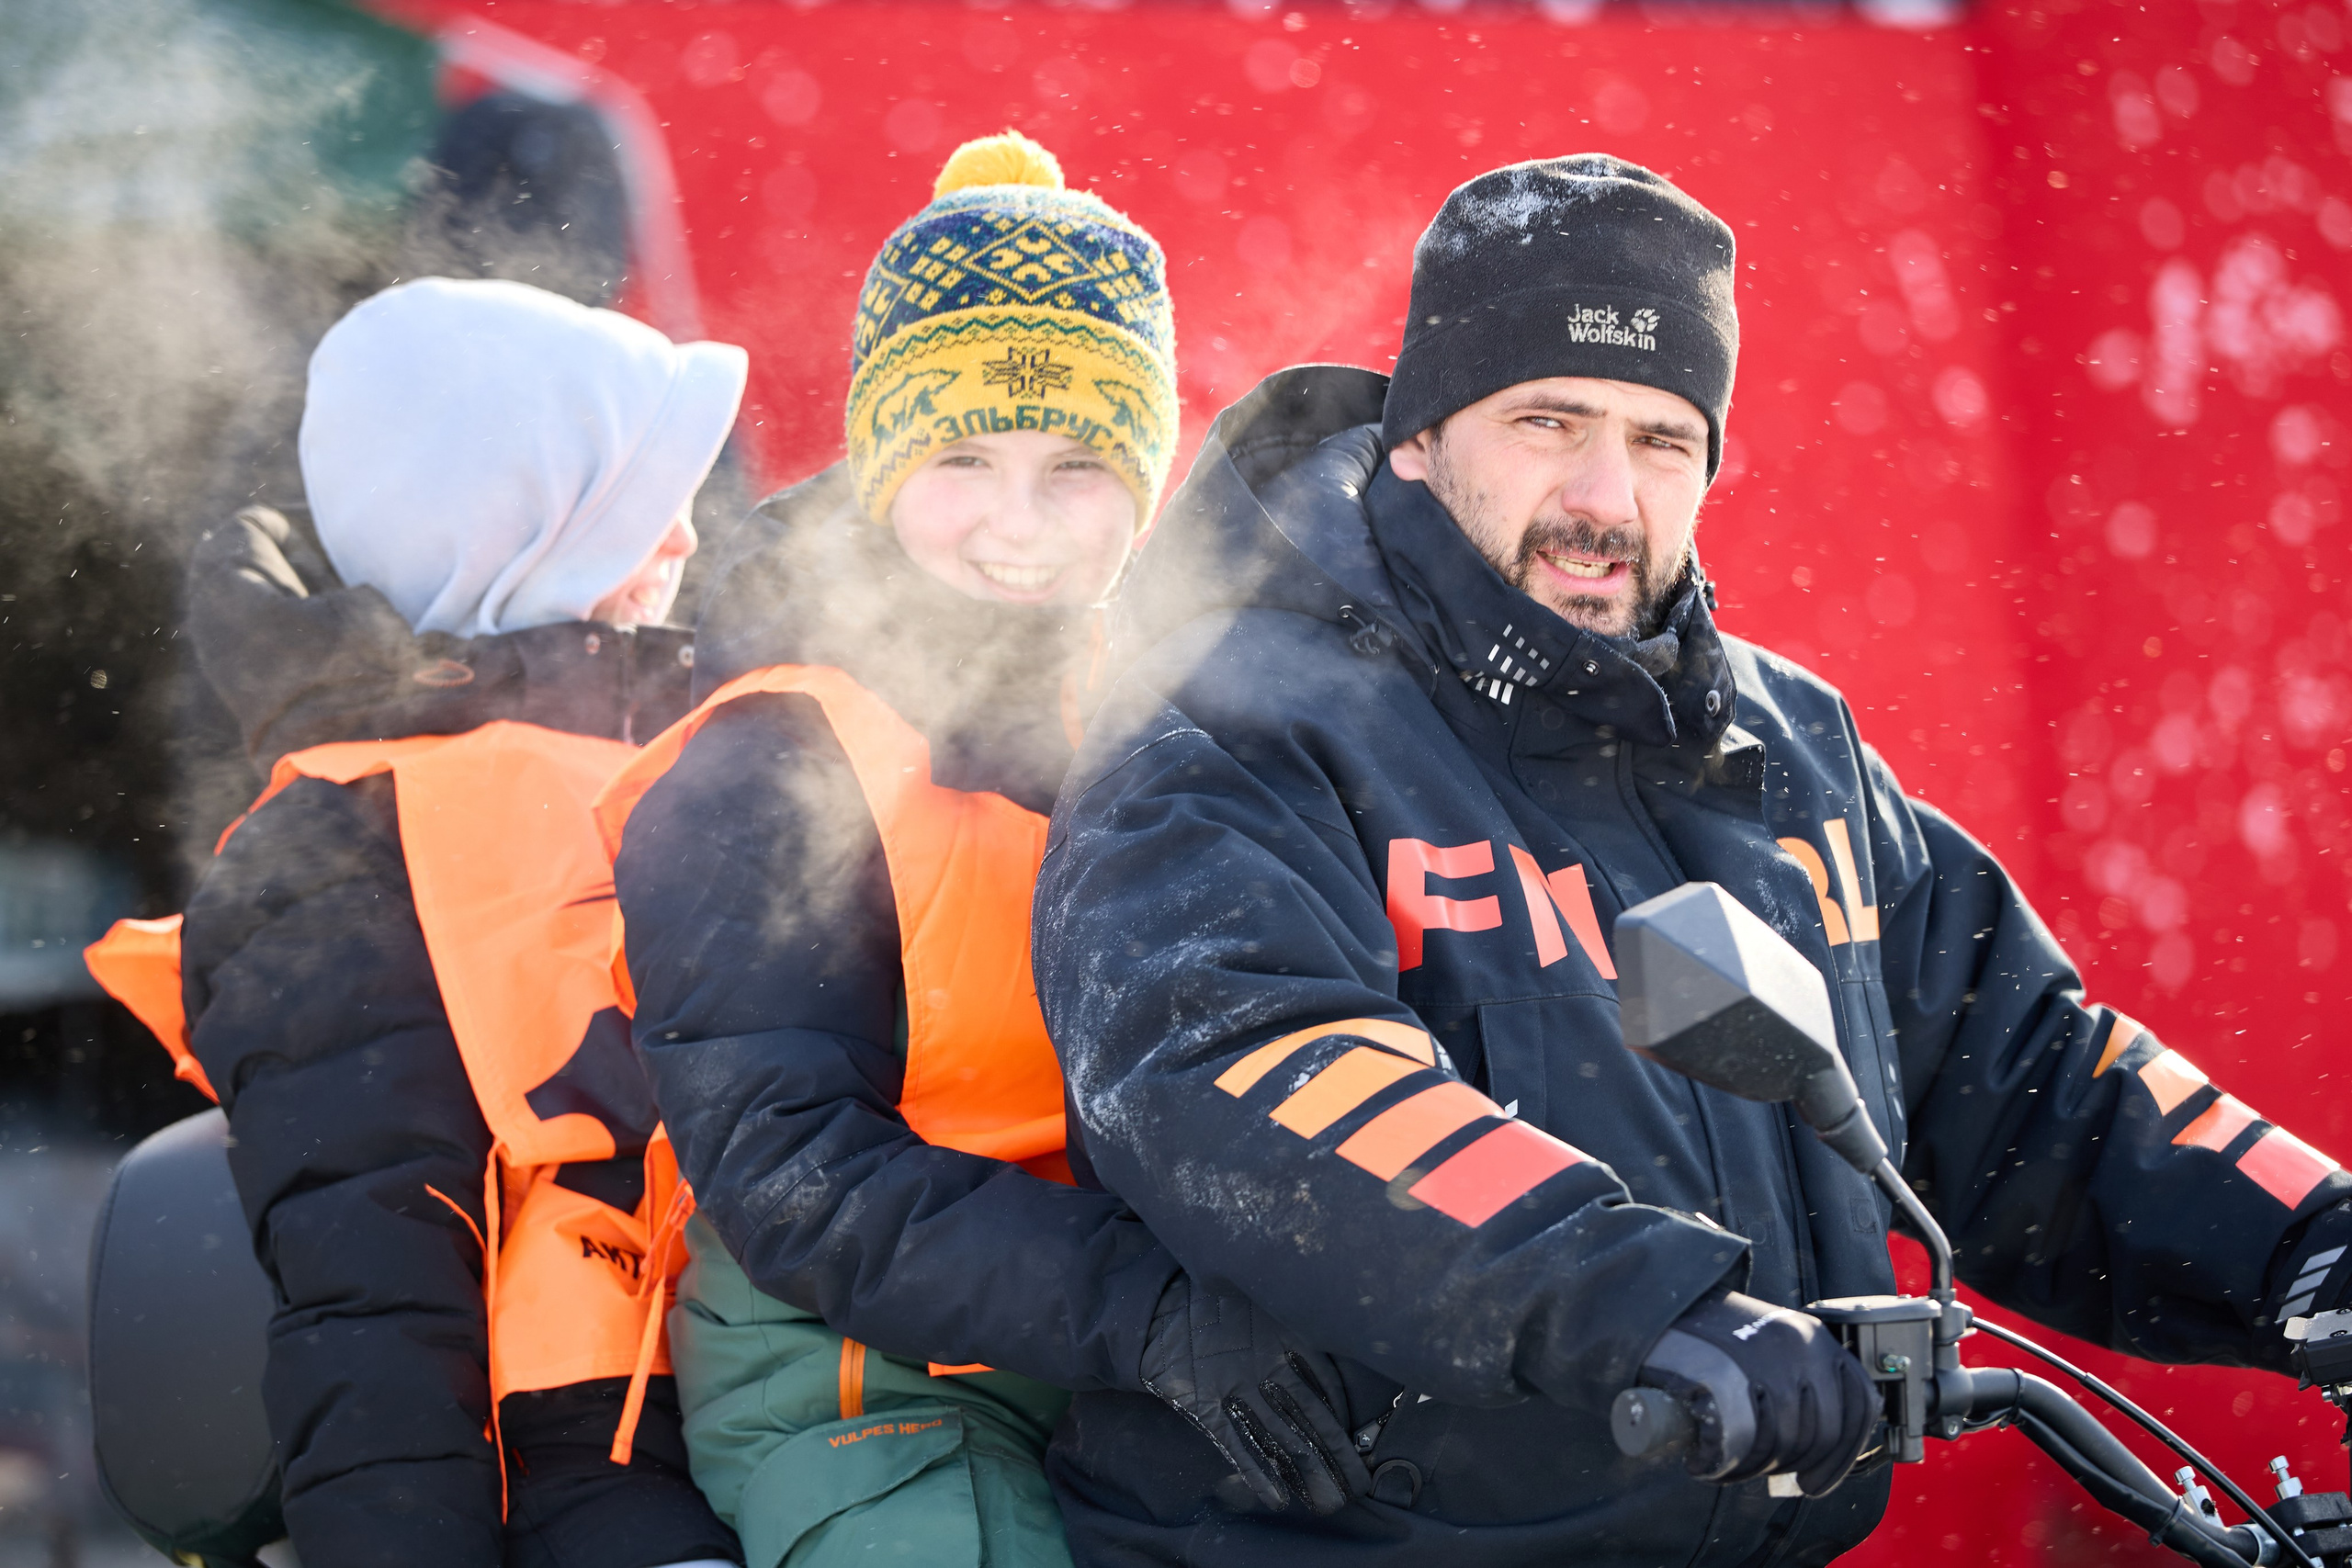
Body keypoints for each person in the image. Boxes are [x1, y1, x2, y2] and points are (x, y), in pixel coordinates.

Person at [1028, 152, 2352, 1565]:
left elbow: (2020, 1077)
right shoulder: (1235, 726)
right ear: (1420, 437)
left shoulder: (1791, 750)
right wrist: (1646, 1303)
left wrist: (2304, 1240)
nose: (1607, 494)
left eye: (1664, 439)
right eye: (1549, 420)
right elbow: (1261, 1072)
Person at [597, 132, 1363, 1568]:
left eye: (1079, 465)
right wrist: (1148, 1311)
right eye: (964, 457)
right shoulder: (775, 755)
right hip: (862, 1382)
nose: (1022, 524)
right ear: (885, 463)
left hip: (1137, 1335)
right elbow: (793, 1176)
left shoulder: (1174, 710)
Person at [162, 276, 748, 1568]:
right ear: (524, 537)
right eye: (644, 510)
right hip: (589, 1468)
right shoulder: (349, 842)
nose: (690, 544)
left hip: (812, 1415)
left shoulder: (702, 761)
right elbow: (369, 1281)